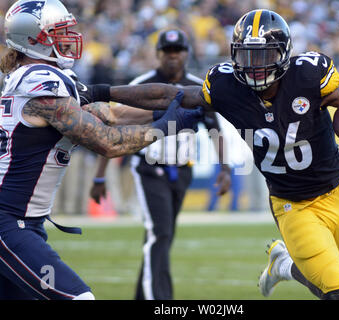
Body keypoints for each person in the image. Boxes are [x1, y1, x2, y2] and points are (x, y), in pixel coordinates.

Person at [82, 9, 339, 300]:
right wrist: (102, 91)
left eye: (265, 55)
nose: (256, 66)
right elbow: (168, 94)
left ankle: (283, 266)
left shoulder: (309, 75)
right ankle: (287, 264)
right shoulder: (227, 86)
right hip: (292, 204)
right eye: (248, 56)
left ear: (284, 54)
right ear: (234, 54)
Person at [0, 0, 204, 300]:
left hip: (24, 222)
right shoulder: (40, 83)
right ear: (33, 40)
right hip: (8, 223)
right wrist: (165, 127)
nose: (69, 38)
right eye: (58, 32)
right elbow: (108, 142)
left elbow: (109, 113)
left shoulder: (38, 78)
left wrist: (170, 110)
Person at [89, 28, 231, 300]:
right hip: (149, 168)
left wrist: (224, 169)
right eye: (167, 52)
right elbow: (112, 125)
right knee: (160, 234)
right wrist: (99, 177)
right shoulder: (142, 84)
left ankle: (143, 295)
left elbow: (215, 131)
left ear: (187, 54)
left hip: (183, 169)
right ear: (158, 55)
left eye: (178, 52)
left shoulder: (198, 87)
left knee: (161, 237)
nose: (173, 57)